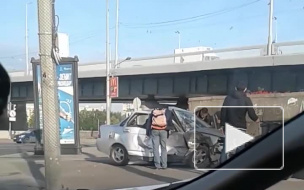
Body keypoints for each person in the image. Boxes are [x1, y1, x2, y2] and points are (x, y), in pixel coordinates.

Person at [219, 81, 260, 163]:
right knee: (240, 148)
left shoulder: (228, 99)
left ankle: (222, 166)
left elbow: (223, 112)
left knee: (226, 147)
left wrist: (222, 125)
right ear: (245, 89)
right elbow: (251, 112)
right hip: (241, 126)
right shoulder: (246, 100)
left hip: (229, 126)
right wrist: (256, 119)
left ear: (235, 88)